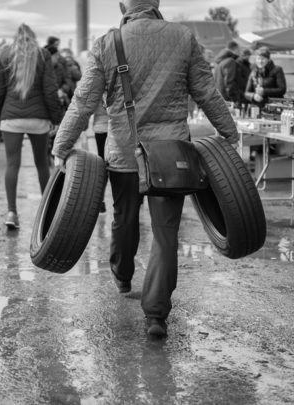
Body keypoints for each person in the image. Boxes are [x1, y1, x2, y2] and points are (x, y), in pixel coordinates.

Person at [52, 0, 239, 337]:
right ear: (155, 4)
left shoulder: (109, 43)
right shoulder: (183, 37)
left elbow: (83, 102)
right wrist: (229, 132)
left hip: (125, 151)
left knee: (124, 217)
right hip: (171, 154)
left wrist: (61, 144)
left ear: (124, 6)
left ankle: (123, 276)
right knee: (166, 232)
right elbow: (207, 93)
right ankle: (156, 315)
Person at [0, 23, 61, 230]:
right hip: (38, 118)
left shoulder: (5, 54)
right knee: (42, 163)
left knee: (12, 164)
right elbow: (50, 89)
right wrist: (56, 118)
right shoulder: (42, 55)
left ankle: (12, 212)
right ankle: (47, 213)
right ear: (33, 37)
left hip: (11, 118)